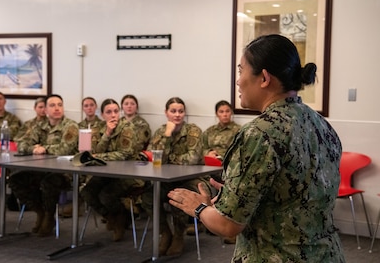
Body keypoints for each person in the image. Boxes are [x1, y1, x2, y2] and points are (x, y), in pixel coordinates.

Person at [167, 34, 345, 262]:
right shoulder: (321, 125)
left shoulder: (260, 133)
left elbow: (228, 225)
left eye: (241, 71)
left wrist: (198, 208)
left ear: (263, 78)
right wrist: (235, 195)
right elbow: (294, 197)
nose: (238, 81)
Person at [141, 96, 214, 257]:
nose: (177, 115)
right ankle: (166, 232)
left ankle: (178, 235)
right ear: (166, 113)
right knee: (147, 195)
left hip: (193, 179)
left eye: (180, 111)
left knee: (178, 194)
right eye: (173, 111)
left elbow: (192, 159)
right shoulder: (161, 131)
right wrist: (167, 135)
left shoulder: (193, 130)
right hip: (167, 179)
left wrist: (169, 159)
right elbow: (156, 158)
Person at [8, 94, 79, 237]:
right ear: (45, 110)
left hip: (65, 172)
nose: (57, 108)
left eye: (60, 105)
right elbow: (22, 144)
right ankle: (39, 211)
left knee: (48, 182)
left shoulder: (71, 126)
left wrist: (44, 148)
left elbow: (65, 149)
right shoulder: (39, 126)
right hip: (40, 170)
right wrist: (33, 149)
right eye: (52, 106)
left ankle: (48, 215)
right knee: (16, 179)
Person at [80, 98, 141, 242]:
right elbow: (93, 151)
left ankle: (119, 218)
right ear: (102, 115)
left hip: (128, 174)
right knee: (86, 192)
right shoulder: (97, 128)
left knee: (106, 195)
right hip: (106, 173)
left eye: (116, 111)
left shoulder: (127, 127)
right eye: (109, 112)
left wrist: (99, 156)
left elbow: (124, 154)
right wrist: (107, 134)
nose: (113, 115)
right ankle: (112, 216)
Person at [193, 100, 241, 242]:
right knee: (199, 183)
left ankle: (231, 229)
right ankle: (205, 221)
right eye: (221, 112)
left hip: (229, 169)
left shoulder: (238, 130)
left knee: (226, 186)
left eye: (227, 111)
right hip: (209, 167)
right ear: (216, 114)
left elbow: (240, 151)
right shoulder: (210, 131)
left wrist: (222, 155)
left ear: (231, 113)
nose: (225, 114)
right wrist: (209, 154)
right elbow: (202, 148)